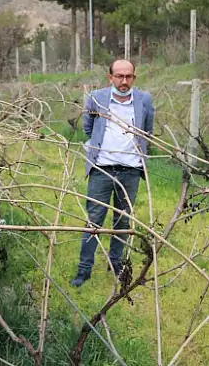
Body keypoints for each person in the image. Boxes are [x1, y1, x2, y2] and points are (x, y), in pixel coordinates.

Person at [69, 59, 154, 288]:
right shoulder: (97, 98)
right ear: (110, 77)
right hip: (101, 169)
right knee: (94, 220)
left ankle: (116, 265)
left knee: (123, 220)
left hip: (131, 171)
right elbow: (88, 127)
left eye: (128, 76)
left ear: (134, 77)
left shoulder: (144, 100)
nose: (124, 81)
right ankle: (84, 270)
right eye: (119, 76)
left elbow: (147, 131)